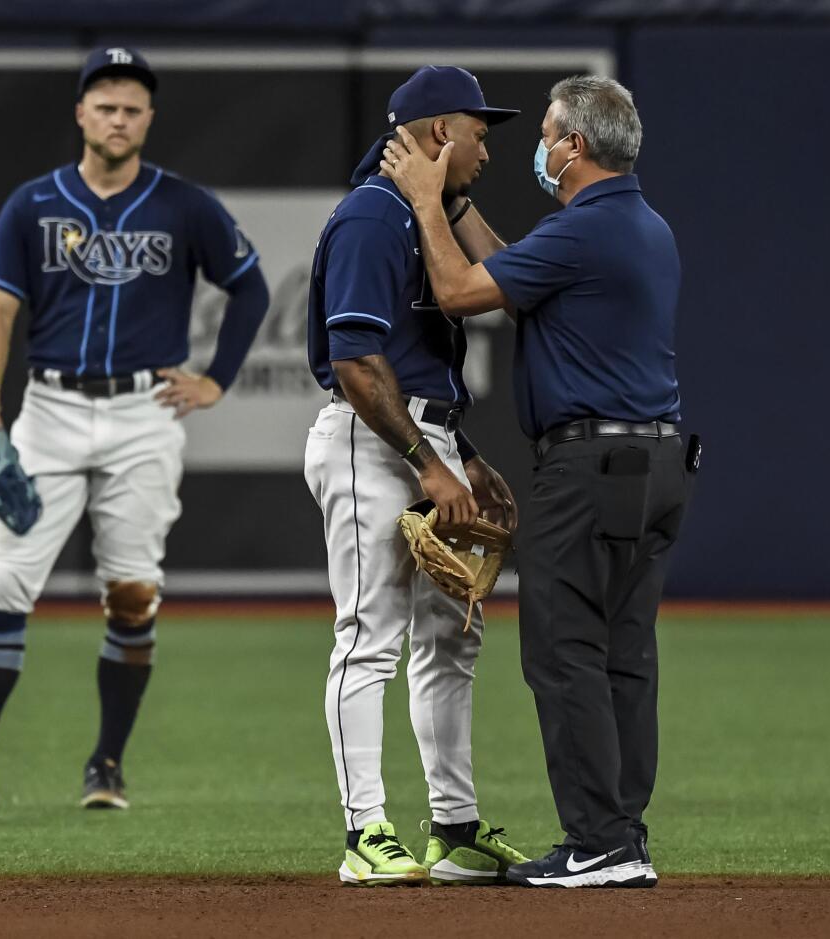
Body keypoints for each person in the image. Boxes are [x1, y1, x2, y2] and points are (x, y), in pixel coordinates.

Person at [0, 47, 269, 812]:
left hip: (144, 413)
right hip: (52, 409)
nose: (120, 118)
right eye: (106, 105)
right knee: (1, 577)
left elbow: (251, 286)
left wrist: (218, 378)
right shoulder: (33, 204)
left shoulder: (183, 204)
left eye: (132, 107)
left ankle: (106, 762)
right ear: (81, 115)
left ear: (149, 119)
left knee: (132, 595)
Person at [379, 75, 692, 888]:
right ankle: (621, 835)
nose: (540, 150)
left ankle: (597, 841)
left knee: (565, 652)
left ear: (576, 146)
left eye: (549, 135)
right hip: (654, 465)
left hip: (590, 469)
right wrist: (453, 206)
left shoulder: (588, 228)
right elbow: (519, 277)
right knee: (624, 654)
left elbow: (457, 292)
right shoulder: (637, 223)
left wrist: (421, 198)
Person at [303, 66, 530, 887]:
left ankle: (454, 828)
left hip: (423, 434)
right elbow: (358, 364)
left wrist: (462, 454)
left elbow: (446, 340)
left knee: (450, 639)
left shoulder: (420, 212)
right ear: (439, 132)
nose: (486, 149)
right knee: (369, 639)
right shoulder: (372, 215)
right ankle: (366, 831)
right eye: (478, 131)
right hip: (372, 441)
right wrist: (428, 465)